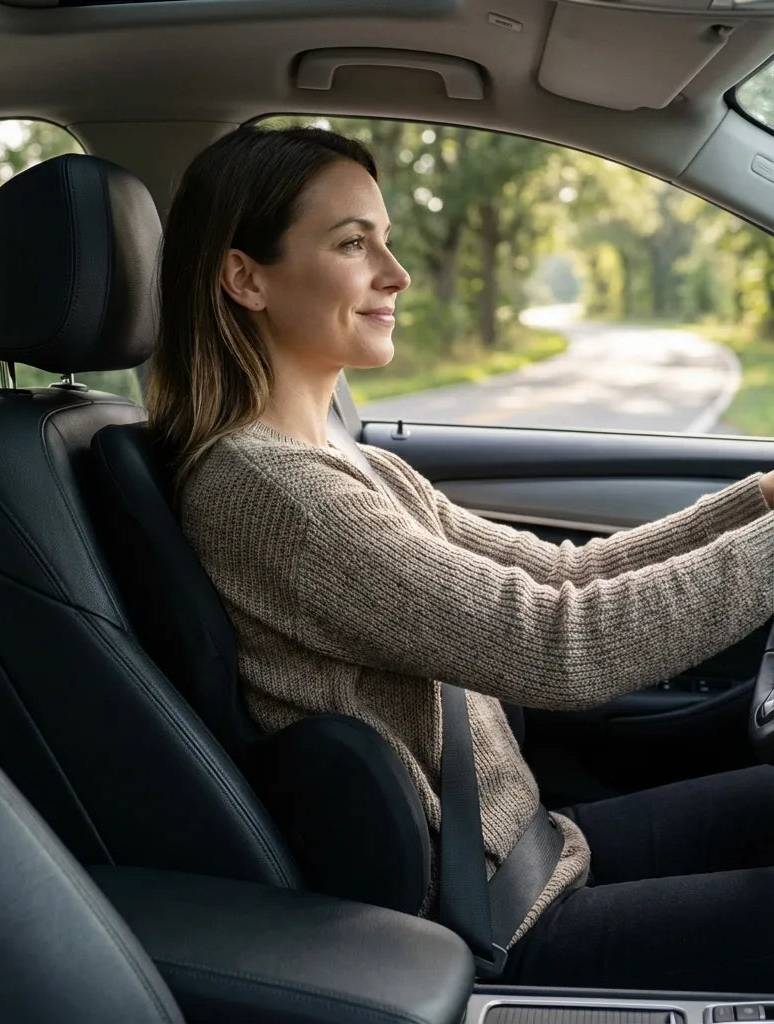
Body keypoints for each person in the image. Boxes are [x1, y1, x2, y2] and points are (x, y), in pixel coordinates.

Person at [145, 124, 774, 992]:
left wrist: (757, 505)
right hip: (498, 924)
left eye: (387, 240)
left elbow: (558, 578)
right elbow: (559, 645)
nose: (396, 275)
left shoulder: (353, 465)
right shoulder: (268, 492)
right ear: (245, 276)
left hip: (536, 852)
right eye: (353, 244)